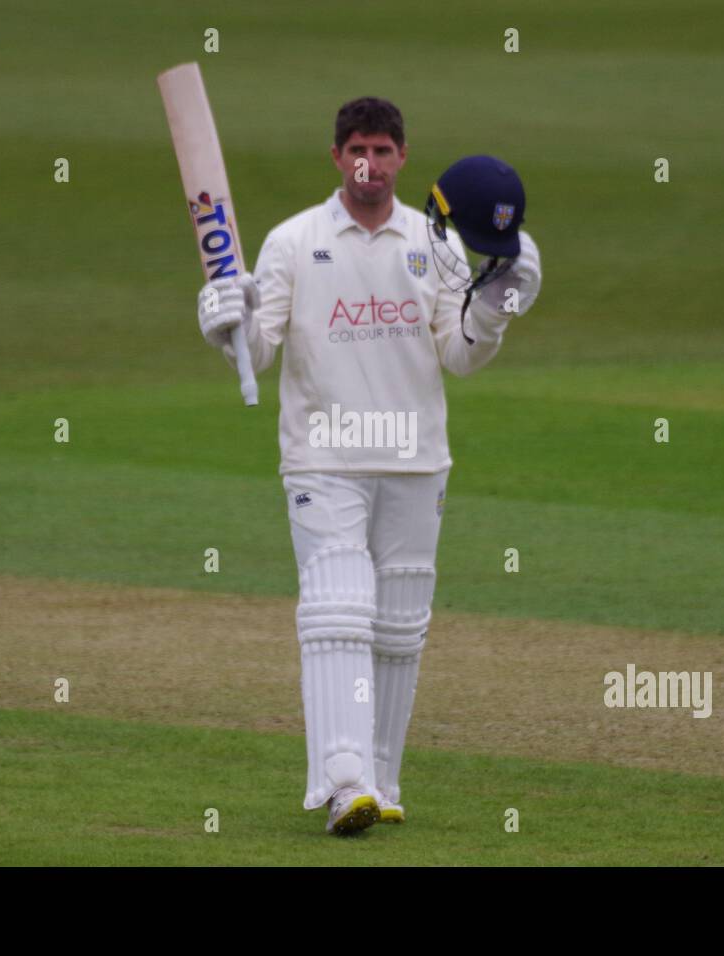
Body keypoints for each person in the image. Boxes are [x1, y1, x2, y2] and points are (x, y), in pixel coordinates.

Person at [196, 97, 542, 834]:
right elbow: (257, 350)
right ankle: (342, 775)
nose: (370, 163)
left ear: (403, 157)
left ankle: (379, 783)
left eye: (383, 150)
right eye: (357, 148)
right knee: (337, 610)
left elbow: (460, 355)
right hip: (325, 456)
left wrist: (493, 313)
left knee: (399, 628)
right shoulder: (293, 241)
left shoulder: (436, 242)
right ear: (336, 157)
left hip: (416, 459)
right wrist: (227, 322)